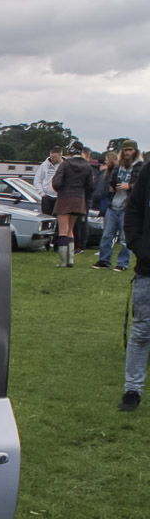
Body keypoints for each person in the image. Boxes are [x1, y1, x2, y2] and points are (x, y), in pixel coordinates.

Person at [117, 158, 150, 410]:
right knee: (141, 332)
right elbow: (134, 209)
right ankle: (132, 391)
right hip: (148, 269)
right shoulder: (148, 170)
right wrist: (138, 246)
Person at [95, 140, 143, 271]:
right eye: (125, 150)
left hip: (128, 207)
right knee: (106, 236)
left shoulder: (140, 166)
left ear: (135, 151)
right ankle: (104, 261)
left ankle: (122, 263)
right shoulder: (118, 165)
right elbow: (111, 180)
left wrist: (130, 186)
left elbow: (142, 185)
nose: (127, 152)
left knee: (125, 238)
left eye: (130, 150)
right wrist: (111, 187)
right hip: (113, 205)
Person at [51, 142, 93, 267]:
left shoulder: (65, 164)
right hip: (79, 199)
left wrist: (61, 190)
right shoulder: (87, 165)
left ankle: (63, 261)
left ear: (70, 151)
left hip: (65, 198)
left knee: (63, 231)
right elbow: (90, 186)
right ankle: (70, 260)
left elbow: (57, 183)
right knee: (70, 230)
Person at [34, 145, 63, 221]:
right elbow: (37, 180)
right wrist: (42, 193)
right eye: (51, 157)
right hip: (47, 197)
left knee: (58, 219)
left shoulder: (64, 165)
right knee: (46, 219)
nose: (52, 159)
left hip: (59, 197)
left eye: (54, 157)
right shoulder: (44, 165)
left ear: (60, 155)